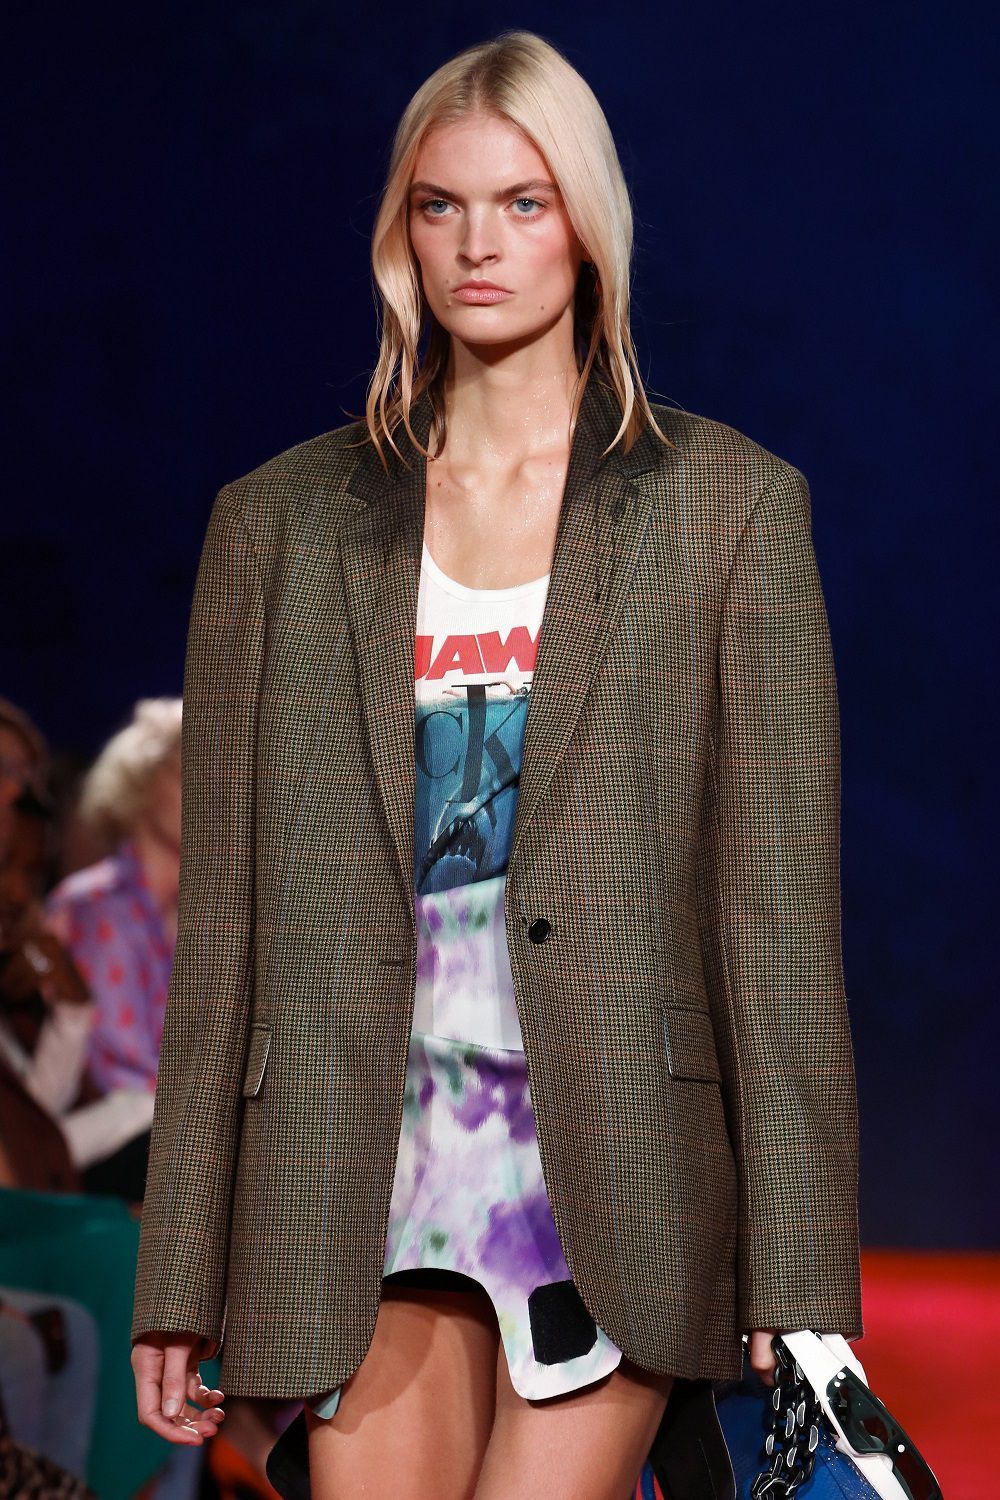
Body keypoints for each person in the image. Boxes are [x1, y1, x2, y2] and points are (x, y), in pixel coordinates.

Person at [129, 28, 864, 1500]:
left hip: (611, 1159)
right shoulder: (278, 524)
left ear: (587, 225)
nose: (480, 244)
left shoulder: (723, 511)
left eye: (524, 202)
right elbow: (224, 932)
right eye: (442, 205)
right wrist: (179, 1269)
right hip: (355, 1154)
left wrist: (802, 1269)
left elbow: (776, 919)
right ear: (402, 232)